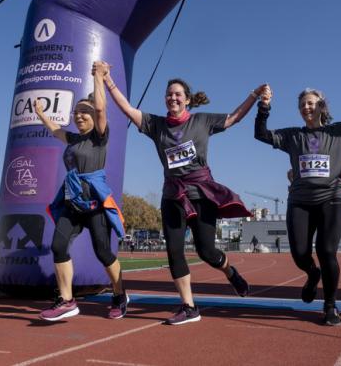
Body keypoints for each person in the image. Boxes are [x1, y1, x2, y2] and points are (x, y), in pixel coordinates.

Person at [105, 68, 262, 325]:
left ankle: (230, 272)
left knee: (207, 252)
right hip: (173, 196)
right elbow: (127, 109)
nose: (172, 98)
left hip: (201, 193)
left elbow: (234, 118)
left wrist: (254, 95)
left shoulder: (201, 121)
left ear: (187, 99)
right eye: (168, 94)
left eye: (177, 94)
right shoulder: (156, 125)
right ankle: (189, 307)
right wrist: (108, 81)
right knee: (174, 251)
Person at [254, 75, 341, 326]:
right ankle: (312, 274)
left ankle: (330, 305)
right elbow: (261, 134)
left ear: (322, 106)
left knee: (326, 250)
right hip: (299, 201)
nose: (305, 108)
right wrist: (264, 105)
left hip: (332, 199)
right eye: (302, 105)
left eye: (310, 103)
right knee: (300, 253)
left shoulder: (340, 132)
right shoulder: (292, 136)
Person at [36, 61, 127, 321]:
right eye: (76, 113)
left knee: (103, 252)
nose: (79, 116)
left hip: (96, 205)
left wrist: (98, 77)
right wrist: (41, 113)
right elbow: (55, 131)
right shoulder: (74, 139)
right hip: (72, 203)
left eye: (83, 112)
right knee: (58, 245)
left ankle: (119, 294)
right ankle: (67, 300)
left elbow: (100, 107)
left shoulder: (100, 136)